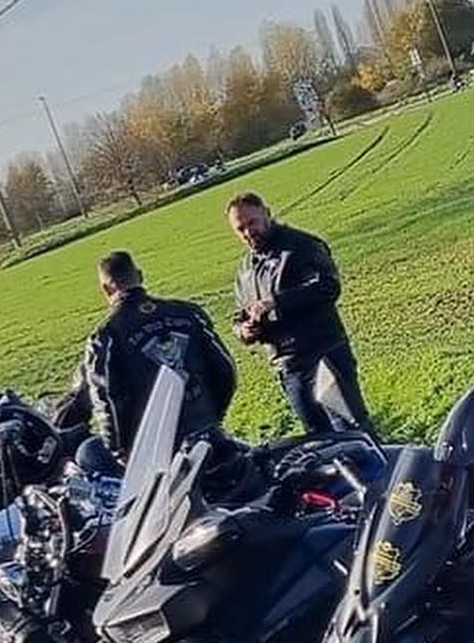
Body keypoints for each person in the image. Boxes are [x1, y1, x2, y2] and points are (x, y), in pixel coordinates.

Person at [53, 251, 237, 461]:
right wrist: (213, 415)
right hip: (208, 432)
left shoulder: (107, 336)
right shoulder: (187, 313)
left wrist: (119, 450)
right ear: (140, 276)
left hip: (157, 447)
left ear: (106, 289)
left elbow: (108, 401)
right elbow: (224, 368)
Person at [227, 193, 374, 435]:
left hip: (323, 356)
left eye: (251, 222)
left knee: (352, 432)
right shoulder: (246, 269)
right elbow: (239, 316)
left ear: (266, 212)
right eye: (240, 228)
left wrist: (276, 302)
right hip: (287, 367)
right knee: (318, 439)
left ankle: (383, 472)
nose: (248, 232)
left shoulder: (301, 246)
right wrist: (244, 331)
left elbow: (328, 287)